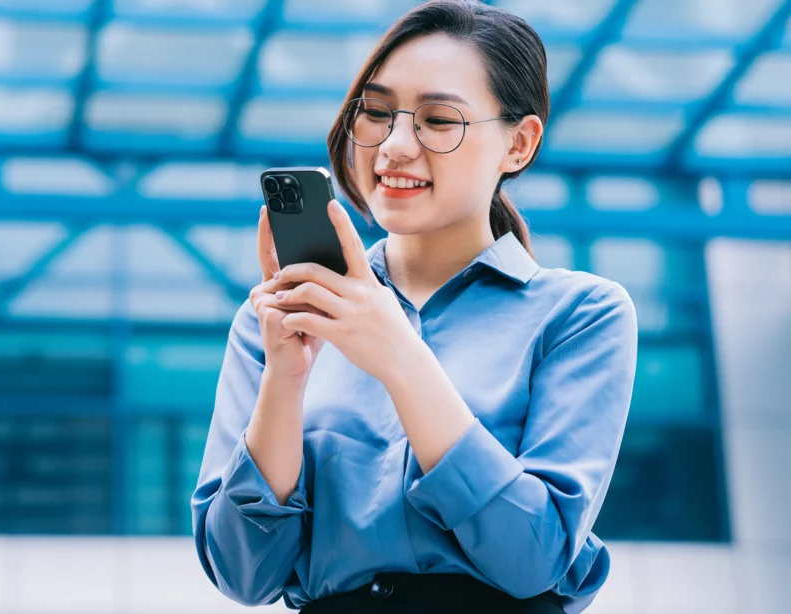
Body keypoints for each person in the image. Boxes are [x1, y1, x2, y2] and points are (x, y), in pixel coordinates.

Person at [191, 1, 638, 612]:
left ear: (519, 143)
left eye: (438, 120)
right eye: (376, 113)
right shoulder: (278, 319)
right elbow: (242, 576)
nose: (394, 146)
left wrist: (399, 357)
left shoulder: (580, 314)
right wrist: (286, 380)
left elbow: (534, 556)